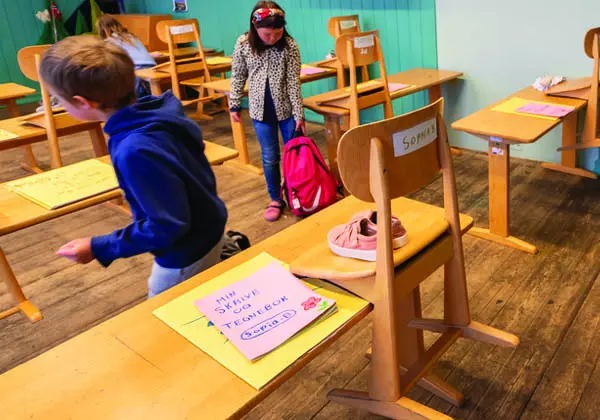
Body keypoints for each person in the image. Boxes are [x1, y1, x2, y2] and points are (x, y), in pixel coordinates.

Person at [39, 35, 228, 297]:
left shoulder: (135, 149)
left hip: (186, 251)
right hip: (208, 226)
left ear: (83, 102)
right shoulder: (160, 112)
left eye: (59, 100)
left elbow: (168, 225)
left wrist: (99, 247)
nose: (59, 105)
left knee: (162, 306)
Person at [230, 1, 305, 222]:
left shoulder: (289, 46)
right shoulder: (244, 43)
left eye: (277, 33)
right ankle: (275, 198)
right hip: (260, 112)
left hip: (287, 111)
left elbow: (293, 82)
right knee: (270, 157)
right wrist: (234, 104)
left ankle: (297, 194)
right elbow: (238, 75)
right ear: (255, 28)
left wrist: (299, 114)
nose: (272, 38)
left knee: (294, 155)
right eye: (267, 34)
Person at [96, 14, 157, 96]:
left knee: (130, 90)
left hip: (135, 67)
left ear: (101, 30)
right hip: (152, 65)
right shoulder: (131, 36)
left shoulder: (109, 41)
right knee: (151, 91)